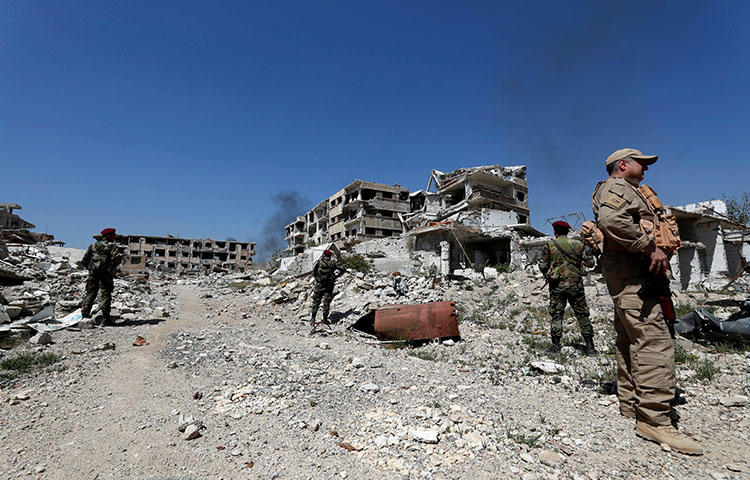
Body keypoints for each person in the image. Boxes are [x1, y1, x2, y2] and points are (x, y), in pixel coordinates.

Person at [592, 148, 702, 455]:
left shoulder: (631, 191)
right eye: (643, 163)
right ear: (623, 165)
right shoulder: (616, 188)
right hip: (632, 276)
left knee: (630, 339)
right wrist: (649, 246)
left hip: (634, 276)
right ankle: (654, 419)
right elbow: (610, 220)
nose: (647, 169)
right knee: (654, 341)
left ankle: (630, 403)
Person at [538, 220, 597, 355]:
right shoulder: (578, 244)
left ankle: (555, 347)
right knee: (582, 315)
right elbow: (590, 263)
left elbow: (543, 266)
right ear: (568, 231)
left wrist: (547, 272)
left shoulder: (550, 245)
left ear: (555, 231)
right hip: (576, 285)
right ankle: (590, 348)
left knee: (556, 315)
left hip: (557, 286)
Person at [79, 228, 123, 326]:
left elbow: (84, 260)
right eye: (113, 235)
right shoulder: (112, 246)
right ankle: (105, 319)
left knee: (90, 293)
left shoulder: (93, 245)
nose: (114, 236)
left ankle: (84, 316)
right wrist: (110, 268)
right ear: (108, 236)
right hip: (106, 274)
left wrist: (91, 270)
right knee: (106, 295)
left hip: (93, 274)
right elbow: (117, 259)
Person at [310, 250, 343, 332]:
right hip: (329, 286)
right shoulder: (333, 263)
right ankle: (325, 319)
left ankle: (312, 318)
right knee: (326, 303)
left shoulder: (319, 262)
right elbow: (343, 269)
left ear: (324, 255)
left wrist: (318, 279)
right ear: (330, 256)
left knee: (316, 302)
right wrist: (336, 277)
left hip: (319, 285)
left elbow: (314, 272)